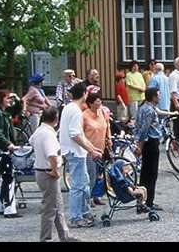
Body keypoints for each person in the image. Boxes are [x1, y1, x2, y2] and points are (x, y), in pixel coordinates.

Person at [28, 106, 78, 242]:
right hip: (48, 172)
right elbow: (52, 155)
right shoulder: (48, 134)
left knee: (57, 206)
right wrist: (55, 171)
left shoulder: (40, 131)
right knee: (50, 208)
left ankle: (64, 235)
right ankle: (46, 238)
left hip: (41, 170)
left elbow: (31, 141)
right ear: (56, 118)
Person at [59, 82, 102, 228]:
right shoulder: (76, 111)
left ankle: (84, 212)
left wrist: (92, 148)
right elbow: (75, 134)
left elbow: (79, 134)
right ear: (84, 93)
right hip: (75, 152)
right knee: (78, 185)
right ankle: (76, 216)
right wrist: (91, 150)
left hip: (76, 151)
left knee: (84, 183)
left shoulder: (68, 108)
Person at [134, 87, 174, 212]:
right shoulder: (149, 111)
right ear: (153, 97)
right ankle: (147, 202)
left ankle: (144, 201)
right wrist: (140, 145)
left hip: (148, 143)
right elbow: (144, 129)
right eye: (158, 95)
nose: (160, 97)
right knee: (150, 174)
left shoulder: (144, 108)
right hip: (150, 143)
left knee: (146, 174)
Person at [0, 88, 21, 218]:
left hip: (3, 149)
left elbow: (17, 109)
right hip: (2, 149)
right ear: (0, 99)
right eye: (7, 98)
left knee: (0, 178)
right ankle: (9, 208)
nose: (10, 100)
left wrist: (16, 98)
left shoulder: (4, 112)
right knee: (8, 178)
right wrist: (7, 144)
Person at [81, 90, 112, 207]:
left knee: (99, 173)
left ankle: (96, 196)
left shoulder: (102, 113)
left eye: (100, 102)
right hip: (89, 150)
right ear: (90, 103)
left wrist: (109, 138)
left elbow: (107, 125)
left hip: (101, 148)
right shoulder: (84, 115)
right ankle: (88, 199)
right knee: (91, 174)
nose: (99, 104)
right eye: (97, 102)